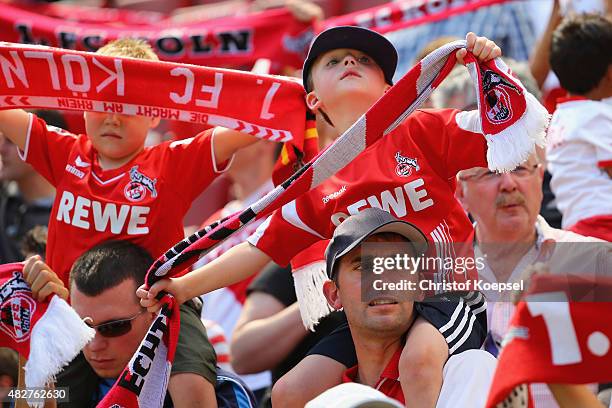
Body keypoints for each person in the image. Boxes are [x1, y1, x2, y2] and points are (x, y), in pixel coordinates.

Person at [138, 26, 511, 407]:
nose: (350, 62)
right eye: (333, 61)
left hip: (449, 294)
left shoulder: (421, 129)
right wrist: (184, 287)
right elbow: (256, 249)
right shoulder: (314, 182)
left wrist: (485, 69)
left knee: (417, 363)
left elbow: (507, 130)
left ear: (389, 90)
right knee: (289, 392)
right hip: (370, 314)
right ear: (313, 100)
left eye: (365, 60)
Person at [0, 38, 259, 284]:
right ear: (84, 105)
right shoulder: (66, 153)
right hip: (68, 322)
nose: (113, 118)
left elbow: (256, 123)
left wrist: (296, 89)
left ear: (156, 115)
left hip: (149, 323)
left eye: (128, 106)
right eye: (103, 102)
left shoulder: (172, 163)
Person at [455, 153, 610, 407]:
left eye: (520, 169)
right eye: (492, 171)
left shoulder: (596, 260)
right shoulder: (436, 274)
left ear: (540, 178)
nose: (508, 184)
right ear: (461, 192)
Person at [319, 208, 496, 407]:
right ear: (334, 294)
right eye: (363, 267)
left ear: (420, 287)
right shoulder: (324, 400)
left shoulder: (469, 372)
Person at [22, 241, 219, 408]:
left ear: (153, 313)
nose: (94, 345)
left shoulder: (224, 392)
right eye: (80, 327)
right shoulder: (61, 379)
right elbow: (12, 395)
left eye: (113, 327)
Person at [193, 140, 278, 400]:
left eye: (235, 130)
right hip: (210, 377)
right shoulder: (216, 220)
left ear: (265, 140)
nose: (222, 139)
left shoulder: (287, 205)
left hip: (258, 378)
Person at [546, 13, 612, 241]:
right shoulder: (598, 116)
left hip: (574, 232)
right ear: (610, 73)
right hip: (605, 226)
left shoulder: (559, 118)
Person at [0, 110, 63, 263]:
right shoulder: (3, 196)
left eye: (10, 141)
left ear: (41, 148)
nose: (1, 149)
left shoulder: (72, 216)